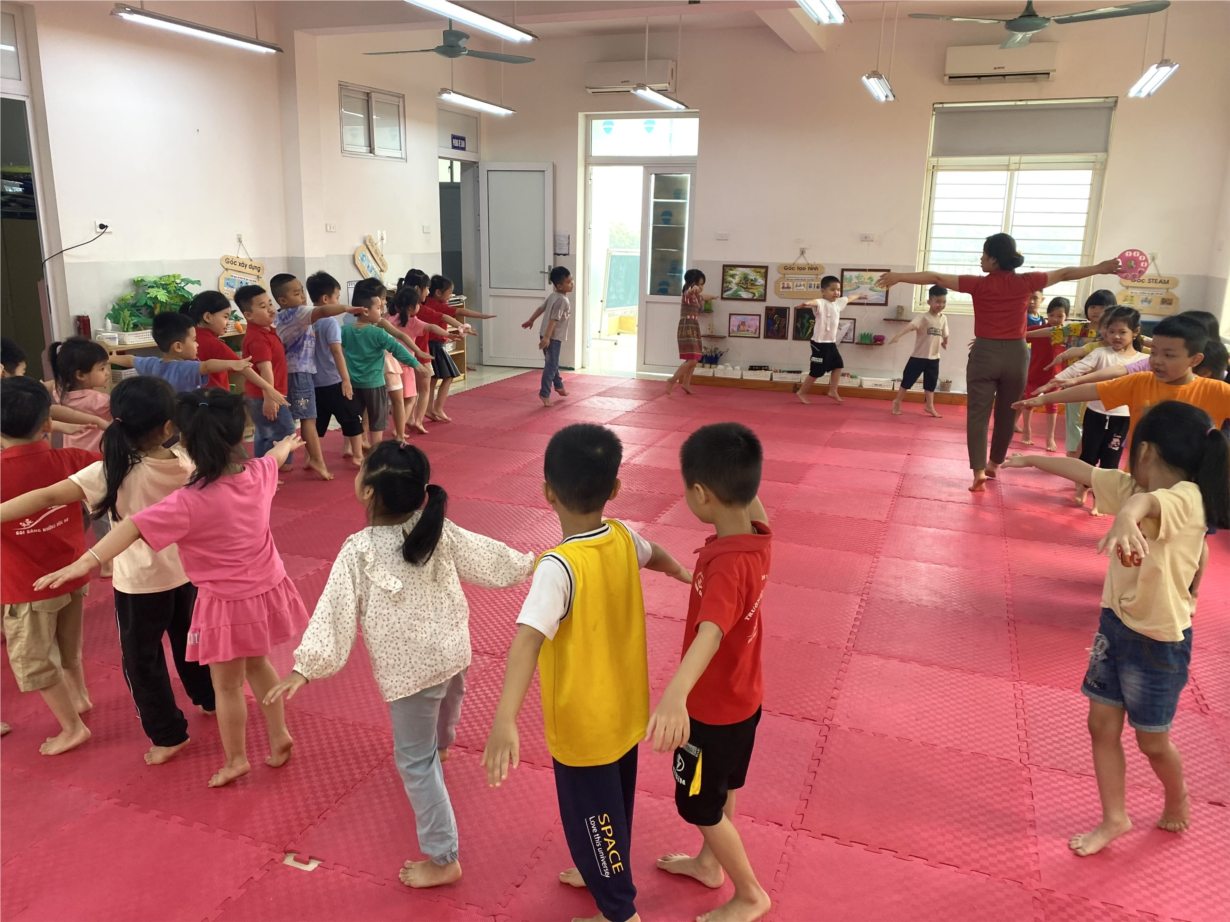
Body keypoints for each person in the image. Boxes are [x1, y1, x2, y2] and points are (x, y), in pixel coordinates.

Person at [265, 441, 535, 889]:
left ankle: (444, 857)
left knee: (414, 761)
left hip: (410, 672)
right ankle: (442, 745)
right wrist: (529, 564)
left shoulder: (359, 549)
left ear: (368, 491)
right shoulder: (434, 527)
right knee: (450, 699)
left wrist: (305, 667)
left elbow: (334, 611)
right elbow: (487, 557)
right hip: (452, 651)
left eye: (362, 469)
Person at [36, 388, 310, 788]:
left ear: (184, 439)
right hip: (266, 591)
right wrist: (286, 443)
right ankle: (279, 734)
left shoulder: (188, 501)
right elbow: (275, 457)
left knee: (227, 687)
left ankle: (236, 760)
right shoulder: (258, 474)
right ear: (239, 436)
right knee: (258, 665)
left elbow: (132, 527)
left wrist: (86, 561)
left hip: (224, 605)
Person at [482, 424, 692, 922]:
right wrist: (681, 572)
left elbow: (527, 641)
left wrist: (504, 719)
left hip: (584, 726)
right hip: (624, 710)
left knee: (590, 820)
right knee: (614, 804)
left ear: (547, 493)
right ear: (614, 489)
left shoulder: (558, 566)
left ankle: (619, 912)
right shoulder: (621, 536)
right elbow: (655, 553)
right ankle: (601, 874)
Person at [1004, 401, 1230, 856]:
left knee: (1153, 742)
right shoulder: (1133, 486)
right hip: (1115, 628)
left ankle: (1177, 794)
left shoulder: (1187, 498)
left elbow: (1149, 504)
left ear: (1143, 450)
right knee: (1100, 726)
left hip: (1159, 643)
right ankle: (1115, 817)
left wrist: (1126, 517)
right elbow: (1086, 472)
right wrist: (1030, 459)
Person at [0, 376, 215, 765]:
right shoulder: (188, 460)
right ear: (169, 425)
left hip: (139, 586)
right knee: (191, 644)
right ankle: (210, 700)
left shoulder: (109, 471)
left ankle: (168, 736)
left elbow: (45, 497)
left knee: (142, 663)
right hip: (187, 576)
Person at [647, 423, 773, 922]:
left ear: (701, 494)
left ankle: (750, 894)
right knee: (723, 789)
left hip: (712, 712)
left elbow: (711, 633)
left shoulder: (725, 566)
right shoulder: (757, 535)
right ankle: (708, 863)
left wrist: (675, 696)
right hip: (744, 699)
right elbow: (752, 497)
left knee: (698, 806)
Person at [877, 234, 1120, 491]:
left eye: (984, 254)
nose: (980, 259)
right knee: (1008, 411)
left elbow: (936, 277)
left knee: (978, 414)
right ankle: (994, 463)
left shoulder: (978, 284)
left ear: (994, 259)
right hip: (1016, 354)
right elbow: (1065, 273)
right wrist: (1100, 268)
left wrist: (899, 276)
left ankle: (978, 472)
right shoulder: (1027, 281)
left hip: (984, 352)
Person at [0, 377, 100, 755]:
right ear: (47, 423)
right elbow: (117, 467)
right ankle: (80, 696)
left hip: (27, 589)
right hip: (73, 574)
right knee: (68, 645)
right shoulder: (70, 460)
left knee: (36, 662)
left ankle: (72, 728)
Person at [1013, 314, 1230, 446]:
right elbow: (1095, 389)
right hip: (1138, 483)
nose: (1157, 361)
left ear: (1195, 359)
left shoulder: (1217, 391)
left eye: (1169, 355)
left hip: (1192, 493)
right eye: (1154, 352)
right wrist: (1043, 398)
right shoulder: (1141, 381)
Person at [1044, 307, 1142, 510]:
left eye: (1122, 332)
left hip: (1121, 418)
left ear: (1135, 332)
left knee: (1110, 460)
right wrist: (1056, 380)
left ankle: (1100, 500)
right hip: (1095, 413)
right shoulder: (1100, 353)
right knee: (1088, 456)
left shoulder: (1142, 360)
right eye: (1111, 331)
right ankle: (1082, 487)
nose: (1116, 336)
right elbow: (1077, 368)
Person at [271, 272, 360, 480]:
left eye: (302, 291)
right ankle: (316, 460)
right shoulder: (300, 313)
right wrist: (347, 308)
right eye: (296, 293)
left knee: (301, 419)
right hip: (300, 374)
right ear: (283, 300)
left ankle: (298, 459)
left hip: (293, 373)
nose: (302, 296)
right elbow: (324, 311)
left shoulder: (279, 315)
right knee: (309, 420)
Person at [340, 279, 422, 451]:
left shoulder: (345, 330)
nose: (382, 310)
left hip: (354, 384)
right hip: (374, 383)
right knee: (377, 419)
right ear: (366, 311)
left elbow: (336, 350)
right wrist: (415, 363)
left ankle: (356, 452)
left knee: (357, 417)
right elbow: (397, 348)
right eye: (378, 308)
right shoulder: (377, 333)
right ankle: (375, 449)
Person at [1036, 290, 1118, 457]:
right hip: (1074, 383)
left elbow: (1140, 339)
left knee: (1098, 422)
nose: (1096, 311)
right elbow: (1052, 331)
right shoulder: (1076, 329)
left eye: (1102, 307)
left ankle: (1090, 455)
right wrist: (1020, 335)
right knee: (1074, 420)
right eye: (1092, 307)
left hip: (1103, 384)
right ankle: (1073, 454)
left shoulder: (1115, 332)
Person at [307, 271, 366, 465]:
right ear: (326, 299)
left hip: (314, 382)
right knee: (351, 418)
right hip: (334, 380)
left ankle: (310, 457)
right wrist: (346, 380)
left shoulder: (308, 319)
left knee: (315, 423)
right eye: (337, 298)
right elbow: (336, 352)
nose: (339, 302)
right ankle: (357, 455)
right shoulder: (330, 322)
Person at [419, 275, 494, 422]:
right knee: (448, 376)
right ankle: (437, 408)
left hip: (432, 345)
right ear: (438, 292)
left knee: (434, 379)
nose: (450, 296)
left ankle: (430, 408)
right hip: (435, 346)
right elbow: (460, 312)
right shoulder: (435, 305)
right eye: (449, 293)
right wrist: (482, 316)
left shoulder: (427, 303)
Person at [237, 284, 297, 466]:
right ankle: (272, 468)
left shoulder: (267, 331)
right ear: (248, 315)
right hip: (265, 396)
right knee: (284, 432)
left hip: (264, 394)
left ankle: (260, 467)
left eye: (270, 303)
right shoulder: (257, 338)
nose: (271, 309)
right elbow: (265, 370)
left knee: (265, 432)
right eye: (263, 307)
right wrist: (270, 398)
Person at [0, 337, 108, 434]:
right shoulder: (100, 401)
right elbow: (51, 409)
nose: (107, 372)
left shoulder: (59, 393)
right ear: (2, 372)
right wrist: (97, 421)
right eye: (23, 372)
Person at [795, 276, 868, 405]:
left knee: (838, 365)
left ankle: (833, 391)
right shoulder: (821, 303)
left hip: (830, 343)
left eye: (838, 290)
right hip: (819, 344)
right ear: (823, 291)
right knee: (817, 371)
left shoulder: (838, 303)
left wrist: (859, 296)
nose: (836, 292)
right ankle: (802, 392)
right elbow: (815, 302)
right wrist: (807, 303)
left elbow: (849, 298)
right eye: (832, 290)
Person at [389, 285, 451, 435]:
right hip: (406, 366)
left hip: (390, 365)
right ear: (411, 307)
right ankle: (399, 429)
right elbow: (432, 327)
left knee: (397, 401)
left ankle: (399, 428)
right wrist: (449, 335)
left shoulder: (390, 319)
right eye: (418, 304)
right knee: (411, 399)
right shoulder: (413, 322)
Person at [888, 285, 949, 418]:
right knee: (907, 381)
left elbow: (945, 333)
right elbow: (911, 326)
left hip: (934, 357)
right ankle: (897, 402)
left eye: (944, 302)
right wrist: (898, 335)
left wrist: (945, 342)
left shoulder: (943, 318)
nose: (941, 305)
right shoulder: (923, 317)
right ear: (929, 302)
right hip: (918, 357)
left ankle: (929, 406)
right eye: (938, 301)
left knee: (931, 383)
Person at [1020, 297, 1070, 452]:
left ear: (1067, 316)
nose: (1055, 319)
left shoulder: (1069, 334)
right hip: (1035, 373)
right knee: (1029, 402)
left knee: (1052, 406)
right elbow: (1017, 335)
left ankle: (1050, 437)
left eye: (1060, 316)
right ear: (1047, 315)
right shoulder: (1038, 330)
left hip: (1055, 376)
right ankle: (1026, 430)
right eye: (1051, 315)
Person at [522, 266, 574, 407]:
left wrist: (531, 320)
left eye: (572, 280)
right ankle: (544, 393)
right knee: (551, 366)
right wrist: (547, 337)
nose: (572, 283)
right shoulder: (562, 300)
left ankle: (559, 386)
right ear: (559, 286)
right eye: (568, 282)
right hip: (552, 337)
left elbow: (541, 308)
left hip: (546, 335)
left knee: (552, 363)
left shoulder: (553, 296)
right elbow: (553, 319)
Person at [667, 269, 715, 396]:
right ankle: (672, 380)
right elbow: (689, 293)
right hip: (687, 326)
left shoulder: (697, 297)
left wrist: (713, 297)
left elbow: (705, 296)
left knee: (695, 358)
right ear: (691, 283)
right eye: (698, 284)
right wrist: (692, 289)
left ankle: (686, 383)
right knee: (692, 360)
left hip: (694, 326)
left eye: (702, 284)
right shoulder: (687, 295)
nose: (701, 287)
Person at [181, 290, 242, 391]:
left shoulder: (184, 338)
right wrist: (268, 388)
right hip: (216, 397)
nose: (228, 322)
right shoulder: (214, 343)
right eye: (225, 317)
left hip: (192, 396)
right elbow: (241, 366)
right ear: (207, 317)